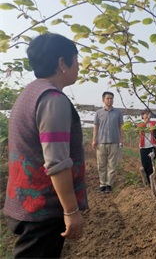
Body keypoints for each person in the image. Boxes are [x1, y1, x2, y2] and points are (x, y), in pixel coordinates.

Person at [3, 33, 87, 258]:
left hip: (26, 201)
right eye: (76, 60)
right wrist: (71, 211)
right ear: (62, 63)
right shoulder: (53, 100)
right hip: (42, 209)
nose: (78, 66)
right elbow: (57, 162)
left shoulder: (29, 93)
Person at [92, 92, 124, 193]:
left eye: (111, 98)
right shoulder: (98, 113)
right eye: (107, 98)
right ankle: (102, 184)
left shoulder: (118, 113)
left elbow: (121, 127)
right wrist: (94, 140)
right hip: (101, 143)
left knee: (112, 165)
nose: (109, 100)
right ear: (103, 100)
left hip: (114, 142)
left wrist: (121, 140)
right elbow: (96, 127)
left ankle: (109, 184)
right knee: (101, 164)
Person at [137, 109, 156, 184]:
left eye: (148, 114)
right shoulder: (140, 123)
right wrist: (146, 121)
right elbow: (140, 129)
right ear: (142, 116)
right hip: (143, 147)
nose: (147, 115)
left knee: (151, 164)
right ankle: (147, 180)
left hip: (152, 146)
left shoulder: (153, 123)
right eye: (145, 114)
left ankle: (151, 182)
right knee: (145, 164)